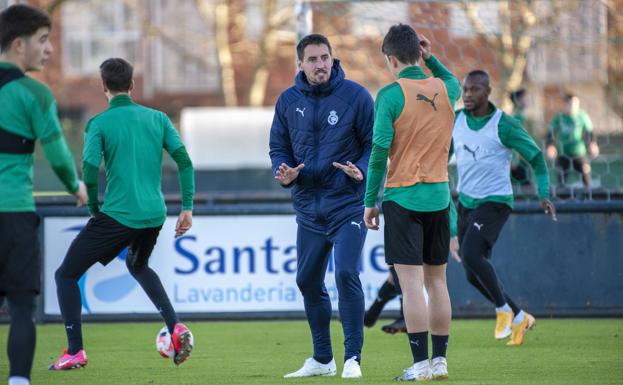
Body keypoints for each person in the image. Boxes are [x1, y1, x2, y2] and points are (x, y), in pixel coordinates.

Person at [49, 58, 195, 370]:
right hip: (154, 215)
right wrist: (187, 207)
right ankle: (176, 326)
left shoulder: (99, 124)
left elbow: (89, 168)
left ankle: (75, 350)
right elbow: (184, 161)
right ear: (132, 85)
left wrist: (92, 209)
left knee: (66, 275)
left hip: (118, 215)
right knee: (138, 265)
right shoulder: (157, 118)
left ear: (104, 87)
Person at [269, 34, 373, 379]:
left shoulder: (355, 96)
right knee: (307, 281)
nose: (320, 65)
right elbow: (278, 148)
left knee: (345, 273)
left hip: (347, 205)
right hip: (309, 210)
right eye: (312, 59)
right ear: (300, 64)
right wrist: (283, 173)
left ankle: (353, 358)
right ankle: (323, 360)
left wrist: (362, 167)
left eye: (325, 57)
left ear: (333, 58)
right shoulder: (287, 101)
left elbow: (375, 146)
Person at [364, 24, 460, 381]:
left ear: (391, 60)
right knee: (438, 284)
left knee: (410, 285)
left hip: (403, 197)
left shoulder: (390, 95)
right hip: (438, 196)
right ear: (419, 53)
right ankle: (440, 362)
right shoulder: (446, 89)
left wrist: (369, 201)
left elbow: (377, 155)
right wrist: (432, 57)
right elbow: (453, 79)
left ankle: (419, 365)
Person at [0, 5, 87, 385]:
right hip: (13, 214)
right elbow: (57, 155)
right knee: (21, 306)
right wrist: (75, 186)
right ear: (19, 45)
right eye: (42, 40)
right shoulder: (34, 93)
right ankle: (19, 380)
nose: (49, 49)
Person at [449, 70, 557, 348]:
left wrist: (543, 194)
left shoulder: (504, 125)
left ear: (488, 92)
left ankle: (502, 310)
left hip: (495, 202)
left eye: (474, 90)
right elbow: (440, 158)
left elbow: (535, 157)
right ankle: (519, 316)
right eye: (465, 90)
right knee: (472, 274)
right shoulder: (456, 121)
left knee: (471, 254)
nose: (468, 95)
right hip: (466, 202)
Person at [546, 93, 599, 188]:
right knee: (561, 175)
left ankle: (588, 197)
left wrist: (592, 144)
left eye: (576, 104)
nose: (573, 107)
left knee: (585, 171)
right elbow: (551, 132)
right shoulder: (559, 117)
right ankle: (562, 198)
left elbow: (589, 131)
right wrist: (550, 146)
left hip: (578, 152)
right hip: (563, 152)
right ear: (565, 105)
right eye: (570, 104)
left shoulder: (582, 116)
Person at [509, 89, 534, 190]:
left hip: (522, 160)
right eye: (524, 98)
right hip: (517, 162)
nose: (527, 100)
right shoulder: (516, 118)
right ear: (518, 101)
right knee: (528, 190)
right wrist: (513, 160)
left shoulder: (522, 117)